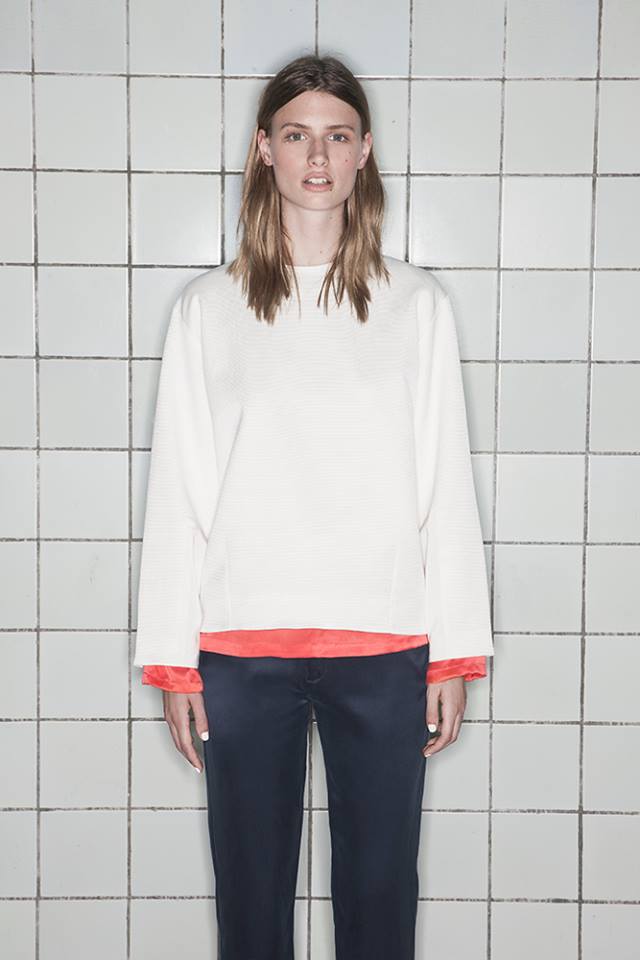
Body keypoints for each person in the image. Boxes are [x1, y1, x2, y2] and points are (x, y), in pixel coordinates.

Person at [133, 54, 494, 960]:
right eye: (297, 135)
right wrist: (173, 661)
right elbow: (179, 487)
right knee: (250, 902)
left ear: (365, 150)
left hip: (385, 644)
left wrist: (454, 650)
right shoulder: (209, 309)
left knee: (380, 899)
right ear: (265, 149)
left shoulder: (415, 305)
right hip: (241, 649)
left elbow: (445, 479)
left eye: (338, 136)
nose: (318, 157)